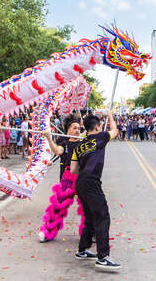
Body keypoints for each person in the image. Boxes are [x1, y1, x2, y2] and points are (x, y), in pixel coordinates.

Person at [70, 110, 121, 270]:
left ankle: (82, 250)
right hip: (91, 182)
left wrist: (85, 168)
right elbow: (115, 131)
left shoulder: (79, 145)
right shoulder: (102, 137)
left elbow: (73, 170)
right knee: (102, 217)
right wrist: (111, 116)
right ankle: (103, 257)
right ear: (98, 126)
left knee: (90, 218)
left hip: (81, 183)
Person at [39, 115, 82, 242]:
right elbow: (58, 151)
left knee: (88, 207)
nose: (77, 130)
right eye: (74, 128)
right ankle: (48, 232)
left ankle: (91, 233)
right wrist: (49, 137)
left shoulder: (83, 143)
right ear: (68, 130)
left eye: (79, 128)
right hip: (66, 180)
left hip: (81, 179)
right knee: (57, 208)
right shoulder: (64, 143)